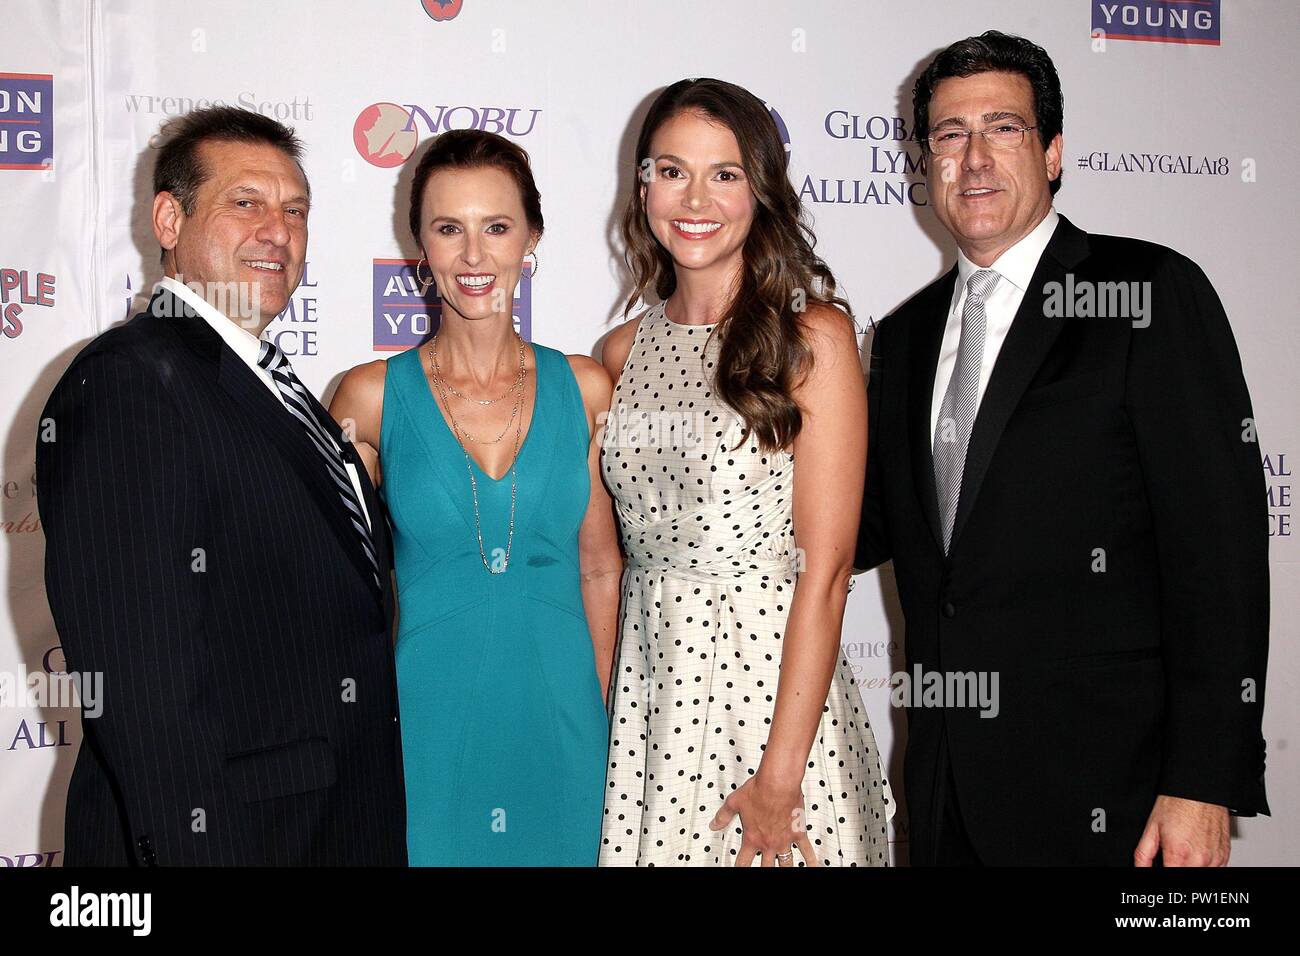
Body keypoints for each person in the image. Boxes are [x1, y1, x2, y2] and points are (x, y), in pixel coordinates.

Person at [856, 31, 1270, 866]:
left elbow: (1218, 555)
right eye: (948, 134)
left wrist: (1202, 782)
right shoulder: (899, 340)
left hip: (1114, 797)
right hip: (946, 798)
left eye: (1002, 129)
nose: (974, 159)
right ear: (923, 162)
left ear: (1052, 152)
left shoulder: (1147, 294)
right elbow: (866, 531)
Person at [36, 106, 406, 865]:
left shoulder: (275, 386)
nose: (278, 230)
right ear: (169, 219)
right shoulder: (130, 383)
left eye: (295, 209)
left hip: (329, 824)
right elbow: (142, 686)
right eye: (246, 203)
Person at [599, 78, 894, 867]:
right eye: (671, 170)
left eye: (725, 174)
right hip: (655, 700)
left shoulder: (813, 338)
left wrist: (781, 774)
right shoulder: (620, 353)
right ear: (642, 185)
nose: (695, 198)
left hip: (773, 711)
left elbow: (827, 571)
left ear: (759, 190)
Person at [331, 129, 620, 866]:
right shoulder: (369, 399)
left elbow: (598, 571)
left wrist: (617, 725)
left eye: (496, 227)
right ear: (419, 246)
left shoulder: (586, 388)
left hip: (565, 726)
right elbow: (340, 591)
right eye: (448, 229)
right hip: (426, 726)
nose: (473, 255)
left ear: (532, 238)